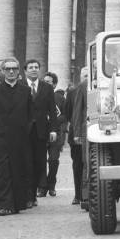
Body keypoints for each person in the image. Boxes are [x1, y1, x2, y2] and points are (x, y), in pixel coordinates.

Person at [0, 57, 33, 216]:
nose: (11, 71)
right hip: (1, 138)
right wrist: (0, 131)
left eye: (14, 69)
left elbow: (29, 115)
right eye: (8, 69)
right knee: (2, 172)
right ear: (3, 72)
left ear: (18, 71)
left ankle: (18, 203)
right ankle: (5, 205)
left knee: (18, 170)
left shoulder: (26, 91)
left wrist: (23, 131)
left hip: (20, 139)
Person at [23, 59, 57, 204]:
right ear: (25, 70)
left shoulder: (46, 88)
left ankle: (35, 192)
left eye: (36, 67)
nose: (34, 69)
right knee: (25, 162)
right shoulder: (19, 85)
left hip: (41, 131)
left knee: (39, 162)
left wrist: (54, 129)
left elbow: (52, 111)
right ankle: (28, 195)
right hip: (23, 131)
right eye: (30, 67)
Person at [41, 72, 67, 197]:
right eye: (44, 81)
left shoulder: (60, 98)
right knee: (40, 161)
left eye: (49, 82)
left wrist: (53, 120)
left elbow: (66, 115)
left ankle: (51, 185)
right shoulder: (38, 96)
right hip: (40, 133)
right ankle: (42, 187)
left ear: (55, 84)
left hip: (56, 134)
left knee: (53, 160)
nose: (46, 84)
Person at [66, 67, 88, 205]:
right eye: (84, 75)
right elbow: (70, 113)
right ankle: (78, 194)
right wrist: (76, 132)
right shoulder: (73, 91)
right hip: (78, 134)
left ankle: (87, 194)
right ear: (80, 76)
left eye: (88, 75)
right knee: (78, 165)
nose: (86, 77)